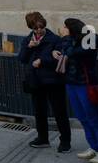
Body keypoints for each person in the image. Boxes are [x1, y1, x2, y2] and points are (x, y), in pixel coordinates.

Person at [57, 17, 98, 163]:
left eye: (65, 27)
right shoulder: (72, 40)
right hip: (71, 82)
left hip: (85, 83)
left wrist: (66, 39)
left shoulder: (88, 40)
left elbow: (72, 52)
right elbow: (66, 51)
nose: (63, 29)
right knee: (82, 117)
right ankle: (93, 147)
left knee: (93, 118)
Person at [18, 12, 70, 152]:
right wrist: (29, 47)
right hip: (36, 81)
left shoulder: (54, 39)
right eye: (35, 28)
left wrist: (42, 60)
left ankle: (65, 141)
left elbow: (60, 57)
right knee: (39, 111)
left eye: (41, 27)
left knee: (59, 111)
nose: (39, 31)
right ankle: (42, 138)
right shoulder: (28, 40)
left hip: (53, 81)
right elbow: (22, 59)